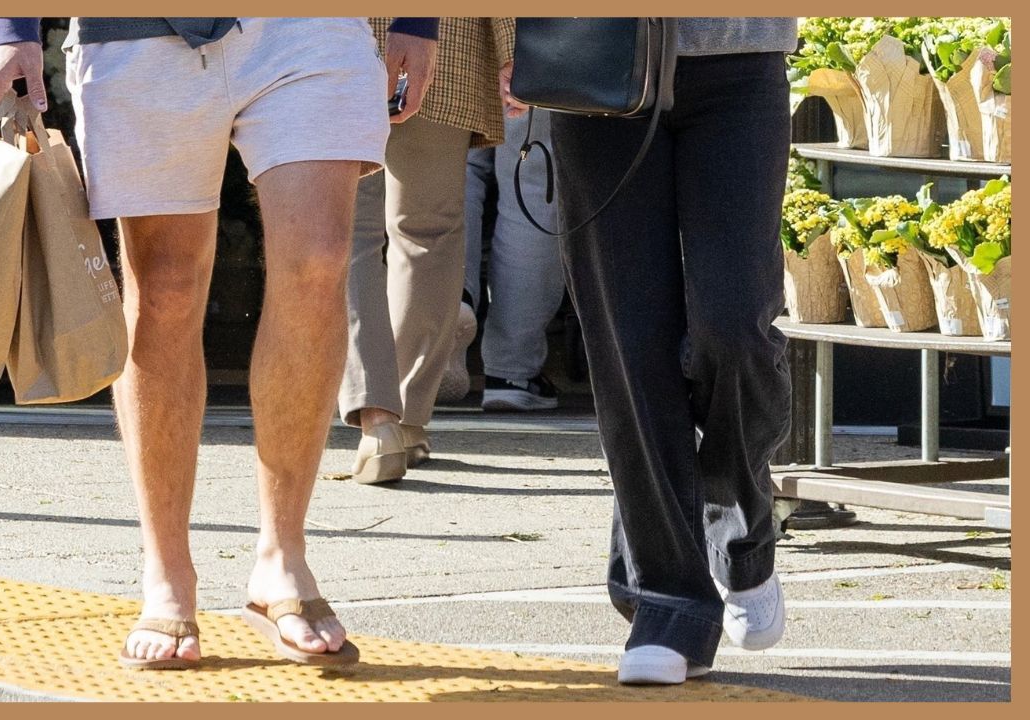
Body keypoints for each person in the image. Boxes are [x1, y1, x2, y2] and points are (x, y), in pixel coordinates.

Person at [0, 16, 438, 669]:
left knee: (318, 262)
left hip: (310, 26)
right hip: (135, 30)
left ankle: (282, 561)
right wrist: (11, 30)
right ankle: (167, 572)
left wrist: (420, 19)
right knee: (163, 289)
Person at [502, 17, 798, 684]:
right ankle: (670, 603)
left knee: (733, 327)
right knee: (629, 344)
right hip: (593, 53)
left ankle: (741, 526)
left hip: (740, 56)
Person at [340, 18, 513, 485]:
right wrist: (515, 44)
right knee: (427, 231)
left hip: (324, 34)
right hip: (442, 32)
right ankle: (407, 417)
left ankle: (379, 421)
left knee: (344, 228)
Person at [460, 110, 564, 412]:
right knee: (531, 178)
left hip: (449, 65)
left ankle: (443, 320)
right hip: (532, 64)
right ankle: (511, 371)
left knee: (453, 169)